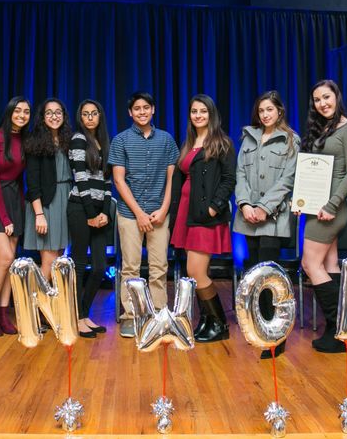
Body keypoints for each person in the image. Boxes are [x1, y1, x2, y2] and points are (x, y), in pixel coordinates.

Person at [233, 90, 299, 358]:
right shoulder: (248, 138)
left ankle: (276, 335)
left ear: (279, 111)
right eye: (261, 111)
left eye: (269, 110)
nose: (265, 114)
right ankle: (261, 327)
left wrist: (264, 207)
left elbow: (288, 179)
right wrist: (246, 205)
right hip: (248, 218)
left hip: (274, 217)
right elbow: (240, 174)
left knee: (270, 276)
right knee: (255, 273)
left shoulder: (292, 140)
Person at [109, 92, 179, 338]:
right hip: (130, 214)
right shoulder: (121, 140)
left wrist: (164, 209)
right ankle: (131, 315)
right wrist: (138, 213)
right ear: (130, 112)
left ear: (153, 110)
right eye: (136, 108)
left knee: (159, 267)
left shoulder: (167, 140)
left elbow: (172, 178)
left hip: (159, 213)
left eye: (145, 107)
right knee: (131, 267)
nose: (141, 112)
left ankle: (159, 314)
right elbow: (118, 180)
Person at [300, 79, 347, 354]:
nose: (322, 103)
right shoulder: (323, 128)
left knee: (309, 264)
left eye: (327, 97)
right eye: (317, 100)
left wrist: (332, 204)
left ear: (337, 97)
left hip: (330, 210)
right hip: (315, 206)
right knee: (329, 264)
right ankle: (341, 330)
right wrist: (301, 200)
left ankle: (339, 330)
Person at [170, 94, 235, 343]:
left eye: (203, 111)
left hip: (205, 215)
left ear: (211, 114)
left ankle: (219, 324)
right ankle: (207, 320)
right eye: (194, 111)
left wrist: (214, 208)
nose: (198, 115)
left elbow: (229, 179)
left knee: (196, 271)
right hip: (187, 212)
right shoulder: (189, 142)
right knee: (194, 270)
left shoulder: (221, 143)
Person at [0, 96, 30, 336]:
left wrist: (18, 211)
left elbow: (19, 180)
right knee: (4, 257)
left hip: (14, 200)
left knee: (11, 261)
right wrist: (4, 218)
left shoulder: (24, 141)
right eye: (18, 111)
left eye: (26, 112)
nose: (22, 115)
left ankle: (3, 314)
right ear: (9, 112)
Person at [67, 99, 112, 338]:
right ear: (80, 118)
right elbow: (80, 178)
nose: (90, 117)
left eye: (94, 113)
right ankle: (76, 317)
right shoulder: (78, 139)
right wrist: (91, 214)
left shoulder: (103, 142)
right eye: (85, 114)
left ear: (100, 116)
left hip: (99, 211)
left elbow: (106, 182)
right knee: (80, 264)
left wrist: (104, 211)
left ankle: (84, 313)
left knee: (100, 267)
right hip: (79, 208)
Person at [23, 99, 72, 282]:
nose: (54, 116)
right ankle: (35, 306)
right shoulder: (35, 142)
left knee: (58, 258)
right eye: (49, 113)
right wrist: (39, 214)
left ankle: (50, 305)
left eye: (58, 112)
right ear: (42, 118)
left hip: (65, 200)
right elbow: (33, 182)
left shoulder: (68, 140)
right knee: (49, 261)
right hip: (46, 204)